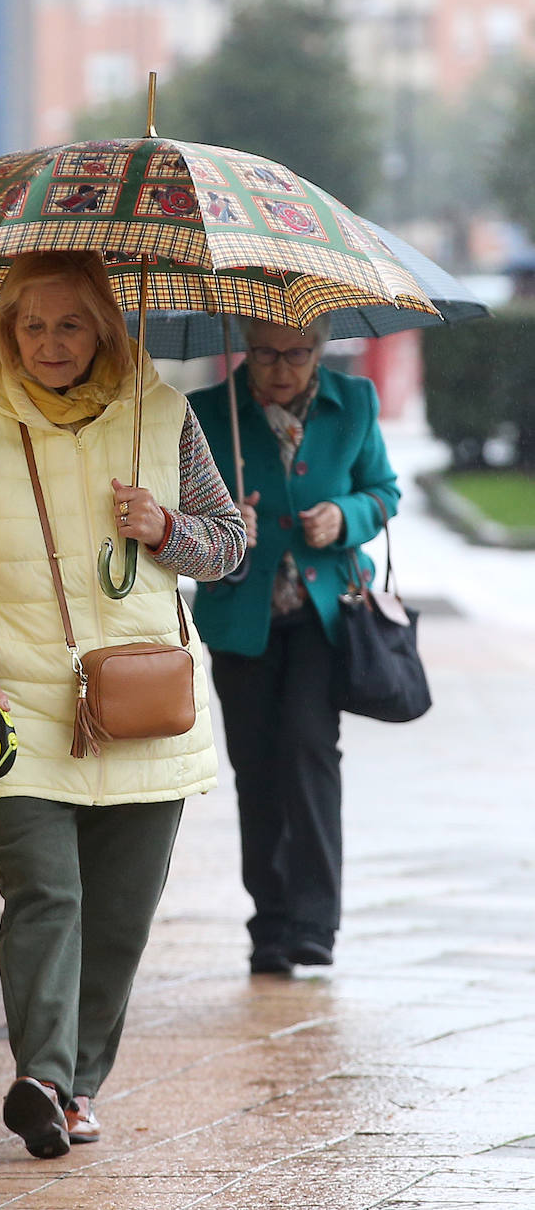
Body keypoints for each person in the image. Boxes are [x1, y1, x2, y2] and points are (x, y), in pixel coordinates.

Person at [0, 251, 246, 1158]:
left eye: (70, 324)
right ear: (6, 330)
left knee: (120, 916)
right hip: (11, 708)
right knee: (46, 894)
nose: (48, 344)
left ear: (106, 328)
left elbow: (229, 545)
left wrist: (168, 529)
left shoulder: (162, 416)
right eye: (30, 325)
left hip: (143, 705)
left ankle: (80, 1082)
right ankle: (44, 1078)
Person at [188, 316, 400, 977]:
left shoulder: (354, 401)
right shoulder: (203, 412)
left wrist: (346, 517)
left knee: (309, 751)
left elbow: (384, 492)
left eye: (296, 355)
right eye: (263, 354)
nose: (279, 369)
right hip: (241, 616)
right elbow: (174, 516)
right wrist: (221, 526)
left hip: (322, 614)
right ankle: (270, 925)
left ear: (320, 350)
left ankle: (314, 922)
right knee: (256, 767)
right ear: (243, 350)